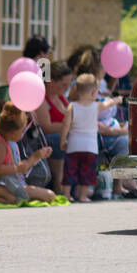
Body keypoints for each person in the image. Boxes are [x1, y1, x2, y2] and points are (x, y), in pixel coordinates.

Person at [60, 73, 106, 202]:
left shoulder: (72, 106)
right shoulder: (97, 105)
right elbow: (108, 104)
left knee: (70, 171)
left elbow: (65, 125)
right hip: (90, 147)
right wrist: (117, 100)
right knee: (87, 173)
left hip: (74, 145)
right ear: (93, 92)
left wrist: (63, 139)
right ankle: (82, 196)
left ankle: (66, 195)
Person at [32, 60, 73, 194]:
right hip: (44, 139)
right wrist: (69, 126)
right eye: (63, 85)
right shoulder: (41, 99)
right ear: (51, 82)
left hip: (64, 134)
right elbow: (47, 127)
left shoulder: (61, 98)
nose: (66, 89)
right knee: (58, 139)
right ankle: (58, 183)